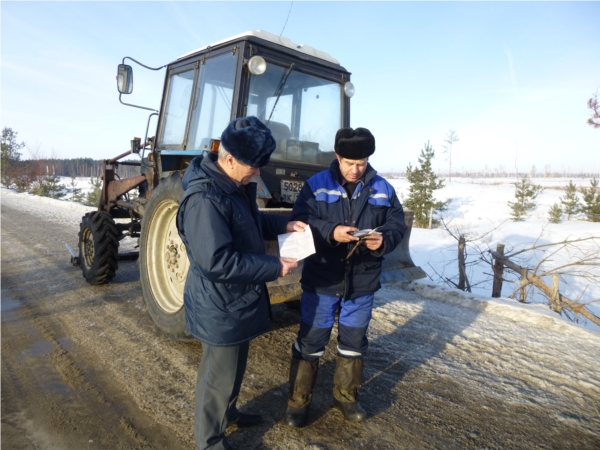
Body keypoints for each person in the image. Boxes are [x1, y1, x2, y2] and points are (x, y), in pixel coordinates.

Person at [176, 116, 306, 450]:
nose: (258, 173)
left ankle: (229, 413)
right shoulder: (205, 200)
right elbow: (216, 262)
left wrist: (283, 225)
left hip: (238, 300)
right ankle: (209, 439)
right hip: (219, 304)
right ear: (229, 159)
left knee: (234, 368)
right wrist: (274, 266)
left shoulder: (235, 186)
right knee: (216, 378)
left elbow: (250, 221)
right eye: (254, 166)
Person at [283, 127, 407, 428]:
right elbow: (300, 220)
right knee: (311, 343)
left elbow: (396, 223)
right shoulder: (315, 185)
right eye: (350, 162)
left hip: (361, 283)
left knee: (353, 343)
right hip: (322, 279)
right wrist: (331, 231)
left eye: (361, 163)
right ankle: (298, 402)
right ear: (338, 157)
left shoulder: (383, 189)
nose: (356, 169)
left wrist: (384, 240)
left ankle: (346, 397)